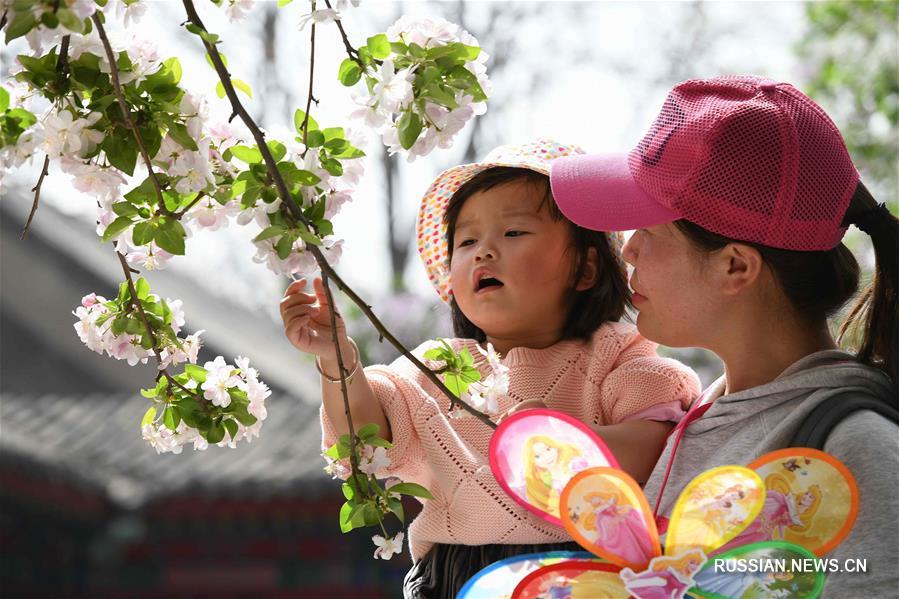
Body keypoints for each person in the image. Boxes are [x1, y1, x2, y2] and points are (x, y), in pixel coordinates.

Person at [280, 140, 701, 598]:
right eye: (467, 241)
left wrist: (555, 442)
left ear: (585, 266)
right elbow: (364, 442)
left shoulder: (615, 352)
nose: (483, 252)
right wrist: (338, 363)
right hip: (457, 572)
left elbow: (658, 445)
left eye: (514, 233)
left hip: (585, 572)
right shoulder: (438, 367)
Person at [549, 75, 899, 596]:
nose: (628, 251)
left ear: (735, 266)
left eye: (649, 229)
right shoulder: (704, 415)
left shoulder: (855, 448)